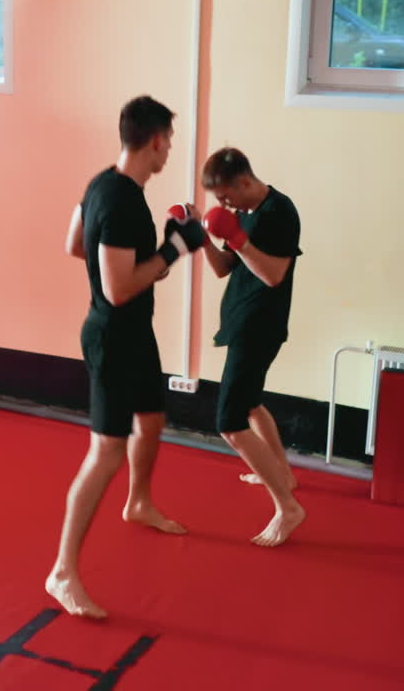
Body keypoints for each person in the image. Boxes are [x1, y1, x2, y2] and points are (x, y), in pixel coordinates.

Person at [46, 96, 206, 619]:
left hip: (135, 334)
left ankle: (138, 501)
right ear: (156, 141)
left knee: (153, 419)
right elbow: (117, 289)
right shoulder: (120, 202)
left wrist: (158, 250)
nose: (169, 152)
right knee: (105, 453)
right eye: (169, 143)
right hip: (114, 336)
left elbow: (74, 245)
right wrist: (173, 251)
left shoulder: (102, 185)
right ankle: (63, 572)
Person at [196, 147, 306, 547]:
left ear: (245, 181)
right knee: (252, 402)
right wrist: (200, 237)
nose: (224, 205)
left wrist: (238, 237)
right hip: (241, 319)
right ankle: (281, 471)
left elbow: (274, 274)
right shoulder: (242, 214)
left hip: (260, 325)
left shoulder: (279, 212)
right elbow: (225, 268)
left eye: (226, 197)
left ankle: (287, 507)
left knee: (230, 421)